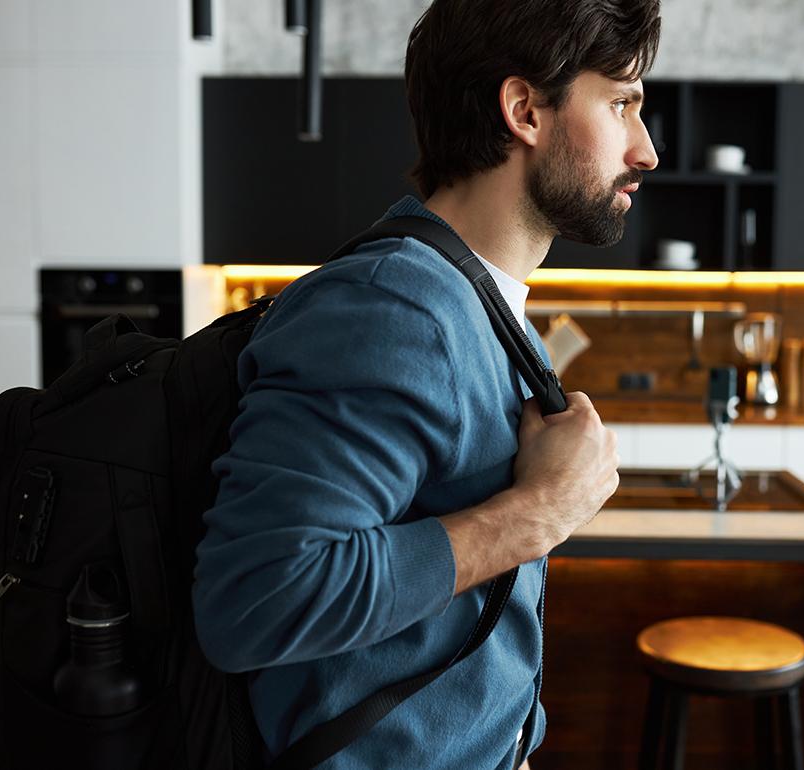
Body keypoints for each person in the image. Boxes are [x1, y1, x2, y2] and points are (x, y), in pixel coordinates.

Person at [192, 0, 661, 767]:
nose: (644, 149)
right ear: (524, 112)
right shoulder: (398, 308)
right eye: (620, 104)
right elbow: (258, 600)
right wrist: (539, 513)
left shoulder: (469, 300)